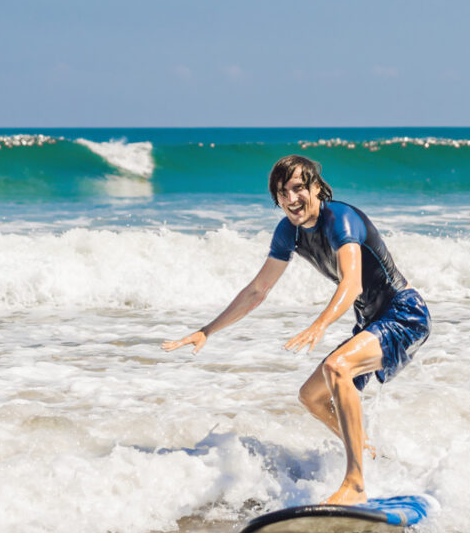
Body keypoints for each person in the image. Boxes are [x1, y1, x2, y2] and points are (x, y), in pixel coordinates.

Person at [162, 155, 431, 505]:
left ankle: (355, 484)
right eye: (281, 192)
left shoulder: (341, 220)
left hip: (404, 313)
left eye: (299, 188)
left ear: (317, 187)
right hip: (371, 322)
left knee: (338, 368)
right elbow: (258, 290)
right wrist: (207, 330)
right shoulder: (288, 232)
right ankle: (369, 454)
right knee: (312, 397)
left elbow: (352, 284)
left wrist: (320, 325)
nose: (291, 199)